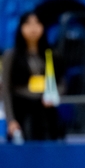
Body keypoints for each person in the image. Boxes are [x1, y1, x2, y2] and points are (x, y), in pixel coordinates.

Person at [2, 11, 64, 141]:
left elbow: (61, 82)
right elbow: (6, 89)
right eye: (28, 24)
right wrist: (11, 120)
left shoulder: (51, 54)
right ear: (21, 28)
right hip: (21, 110)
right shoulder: (11, 56)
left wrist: (54, 95)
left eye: (37, 23)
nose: (33, 28)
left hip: (45, 109)